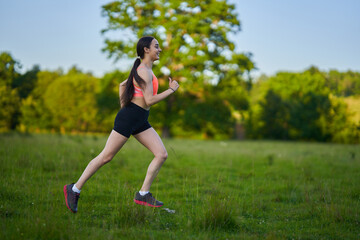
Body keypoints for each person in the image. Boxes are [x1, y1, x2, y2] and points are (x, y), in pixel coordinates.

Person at [63, 36, 179, 213]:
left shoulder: (145, 69)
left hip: (139, 119)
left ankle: (143, 193)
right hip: (130, 117)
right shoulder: (144, 71)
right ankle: (74, 189)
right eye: (156, 46)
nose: (160, 49)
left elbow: (122, 85)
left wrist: (124, 105)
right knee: (106, 157)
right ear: (146, 50)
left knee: (161, 154)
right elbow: (149, 99)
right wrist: (171, 90)